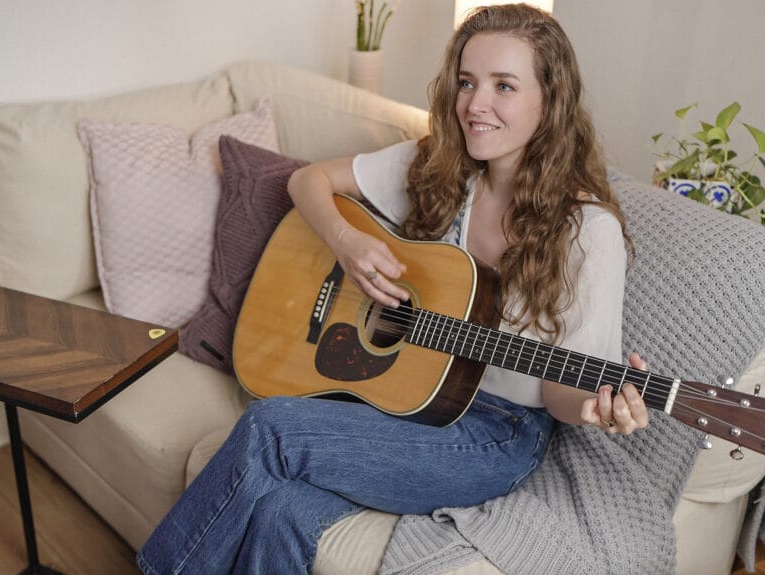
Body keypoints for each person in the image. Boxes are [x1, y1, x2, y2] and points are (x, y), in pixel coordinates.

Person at [137, 4, 650, 574]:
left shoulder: (588, 231)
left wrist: (600, 409)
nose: (475, 105)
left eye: (504, 85)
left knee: (270, 426)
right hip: (404, 395)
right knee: (282, 509)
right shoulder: (440, 166)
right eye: (467, 82)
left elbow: (560, 395)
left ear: (549, 100)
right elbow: (306, 181)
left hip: (494, 432)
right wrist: (344, 242)